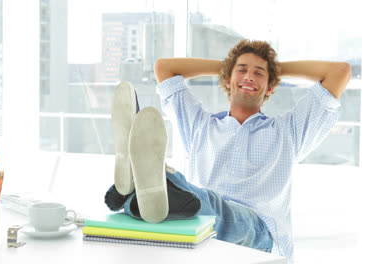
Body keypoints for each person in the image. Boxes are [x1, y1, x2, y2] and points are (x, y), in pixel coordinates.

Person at [104, 39, 352, 263]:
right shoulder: (201, 126)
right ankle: (140, 190)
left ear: (270, 88)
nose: (249, 76)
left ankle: (151, 182)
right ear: (227, 80)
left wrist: (275, 68)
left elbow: (339, 72)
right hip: (203, 230)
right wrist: (229, 66)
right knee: (179, 204)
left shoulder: (289, 132)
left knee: (202, 200)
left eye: (259, 73)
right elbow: (164, 67)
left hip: (260, 237)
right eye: (242, 70)